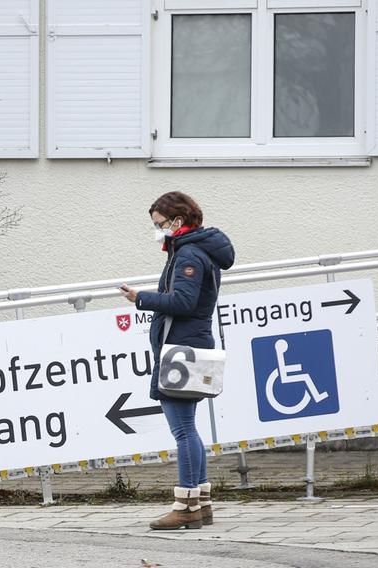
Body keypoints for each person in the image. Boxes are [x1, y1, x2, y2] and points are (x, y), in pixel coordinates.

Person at [119, 191, 234, 530]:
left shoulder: (190, 254)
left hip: (182, 350)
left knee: (183, 431)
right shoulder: (196, 250)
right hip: (189, 346)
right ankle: (200, 503)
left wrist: (142, 298)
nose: (157, 231)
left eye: (160, 225)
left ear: (178, 222)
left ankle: (186, 507)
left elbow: (183, 302)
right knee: (189, 429)